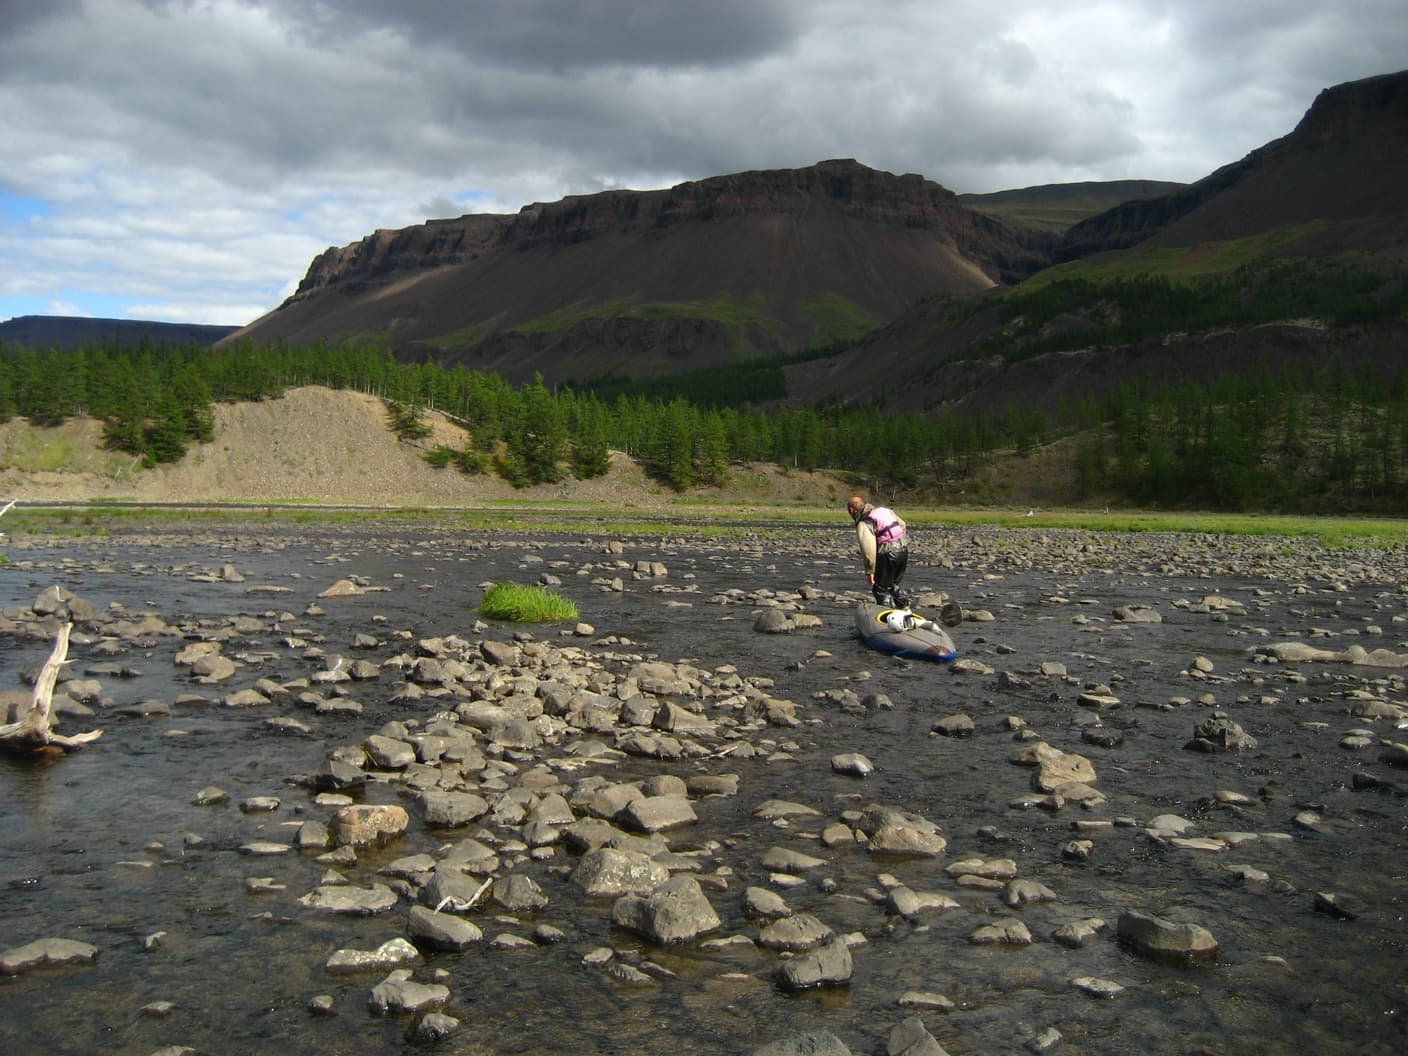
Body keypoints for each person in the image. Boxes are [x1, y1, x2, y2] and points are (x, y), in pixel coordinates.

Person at [846, 495, 910, 608]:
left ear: (851, 510)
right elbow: (903, 524)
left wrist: (870, 571)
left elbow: (868, 549)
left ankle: (886, 618)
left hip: (888, 554)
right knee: (892, 585)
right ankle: (904, 608)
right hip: (903, 551)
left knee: (880, 589)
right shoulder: (884, 511)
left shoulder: (864, 522)